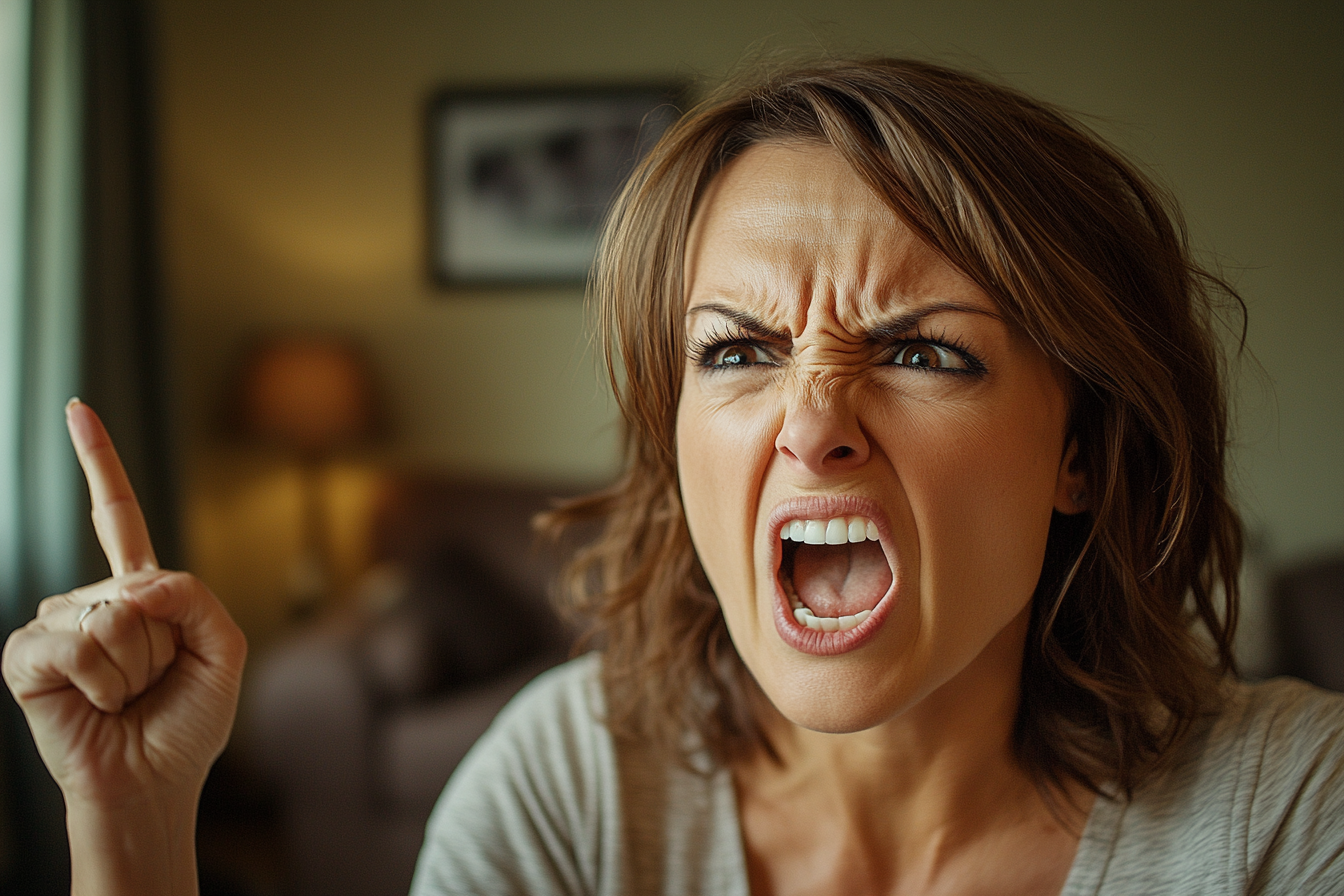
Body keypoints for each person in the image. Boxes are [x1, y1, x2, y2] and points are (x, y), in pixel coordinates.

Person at [3, 57, 1341, 896]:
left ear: (1085, 454)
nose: (813, 425)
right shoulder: (570, 785)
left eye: (927, 351)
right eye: (742, 349)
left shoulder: (1289, 812)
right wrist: (134, 830)